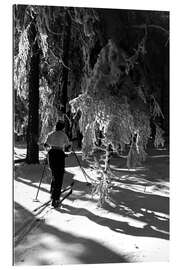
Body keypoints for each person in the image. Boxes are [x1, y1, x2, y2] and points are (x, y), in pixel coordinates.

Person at [44, 120, 71, 208]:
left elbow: (46, 145)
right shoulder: (63, 135)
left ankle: (53, 192)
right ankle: (55, 199)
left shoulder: (51, 134)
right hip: (59, 154)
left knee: (54, 174)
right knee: (59, 176)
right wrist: (69, 148)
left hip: (51, 154)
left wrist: (48, 151)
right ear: (62, 127)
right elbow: (67, 146)